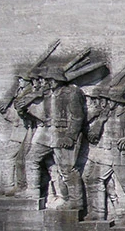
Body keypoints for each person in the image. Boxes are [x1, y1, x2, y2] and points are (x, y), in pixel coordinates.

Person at [14, 67, 85, 210]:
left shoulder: (71, 93)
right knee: (31, 158)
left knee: (67, 169)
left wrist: (70, 136)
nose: (48, 82)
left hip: (63, 133)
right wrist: (33, 96)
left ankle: (75, 200)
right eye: (47, 80)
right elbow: (21, 106)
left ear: (58, 80)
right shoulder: (45, 93)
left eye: (50, 80)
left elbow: (77, 117)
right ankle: (32, 191)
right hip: (46, 133)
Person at [82, 85, 125, 224]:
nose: (102, 103)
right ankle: (98, 214)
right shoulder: (103, 115)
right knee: (94, 180)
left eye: (105, 100)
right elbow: (92, 136)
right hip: (105, 155)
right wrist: (100, 121)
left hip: (122, 156)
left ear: (114, 101)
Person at [0, 74, 36, 197]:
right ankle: (8, 186)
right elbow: (15, 116)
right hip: (19, 129)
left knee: (23, 159)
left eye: (23, 79)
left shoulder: (31, 92)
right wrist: (5, 111)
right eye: (19, 79)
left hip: (29, 129)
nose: (20, 81)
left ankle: (19, 186)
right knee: (8, 156)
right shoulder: (19, 92)